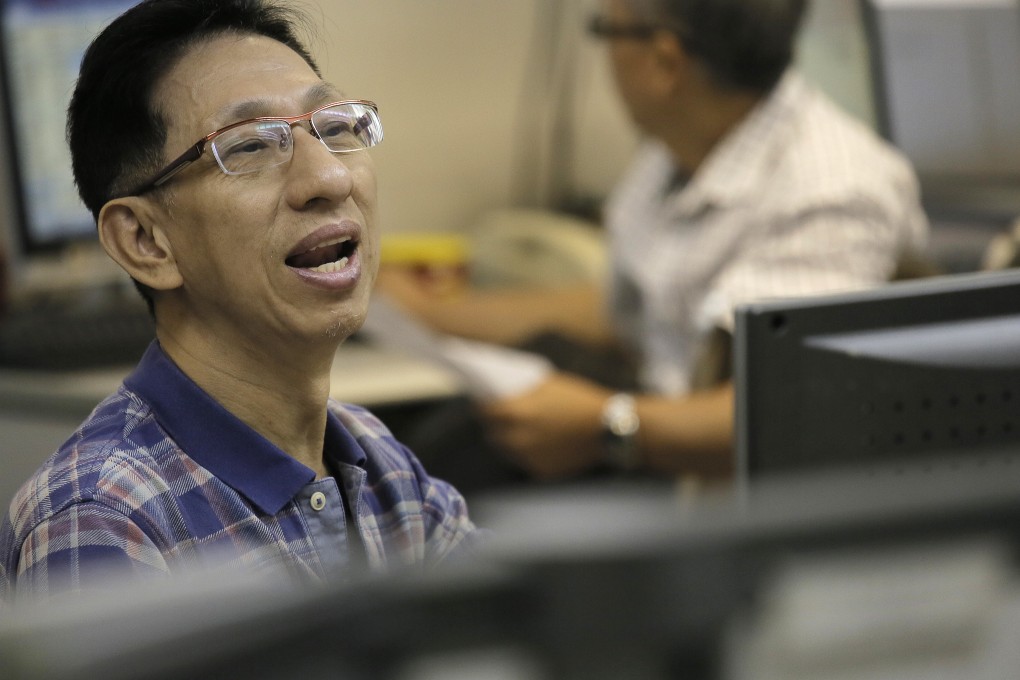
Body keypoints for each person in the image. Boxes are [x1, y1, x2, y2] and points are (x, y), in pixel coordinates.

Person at [0, 0, 480, 601]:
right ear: (146, 241)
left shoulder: (379, 464)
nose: (329, 177)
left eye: (333, 127)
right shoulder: (105, 523)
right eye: (251, 145)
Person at [376, 0, 929, 487]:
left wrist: (606, 425)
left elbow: (784, 412)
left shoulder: (832, 187)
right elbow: (627, 310)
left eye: (606, 28)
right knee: (416, 459)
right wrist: (428, 313)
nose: (607, 53)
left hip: (719, 493)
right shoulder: (680, 147)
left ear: (664, 62)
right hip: (657, 434)